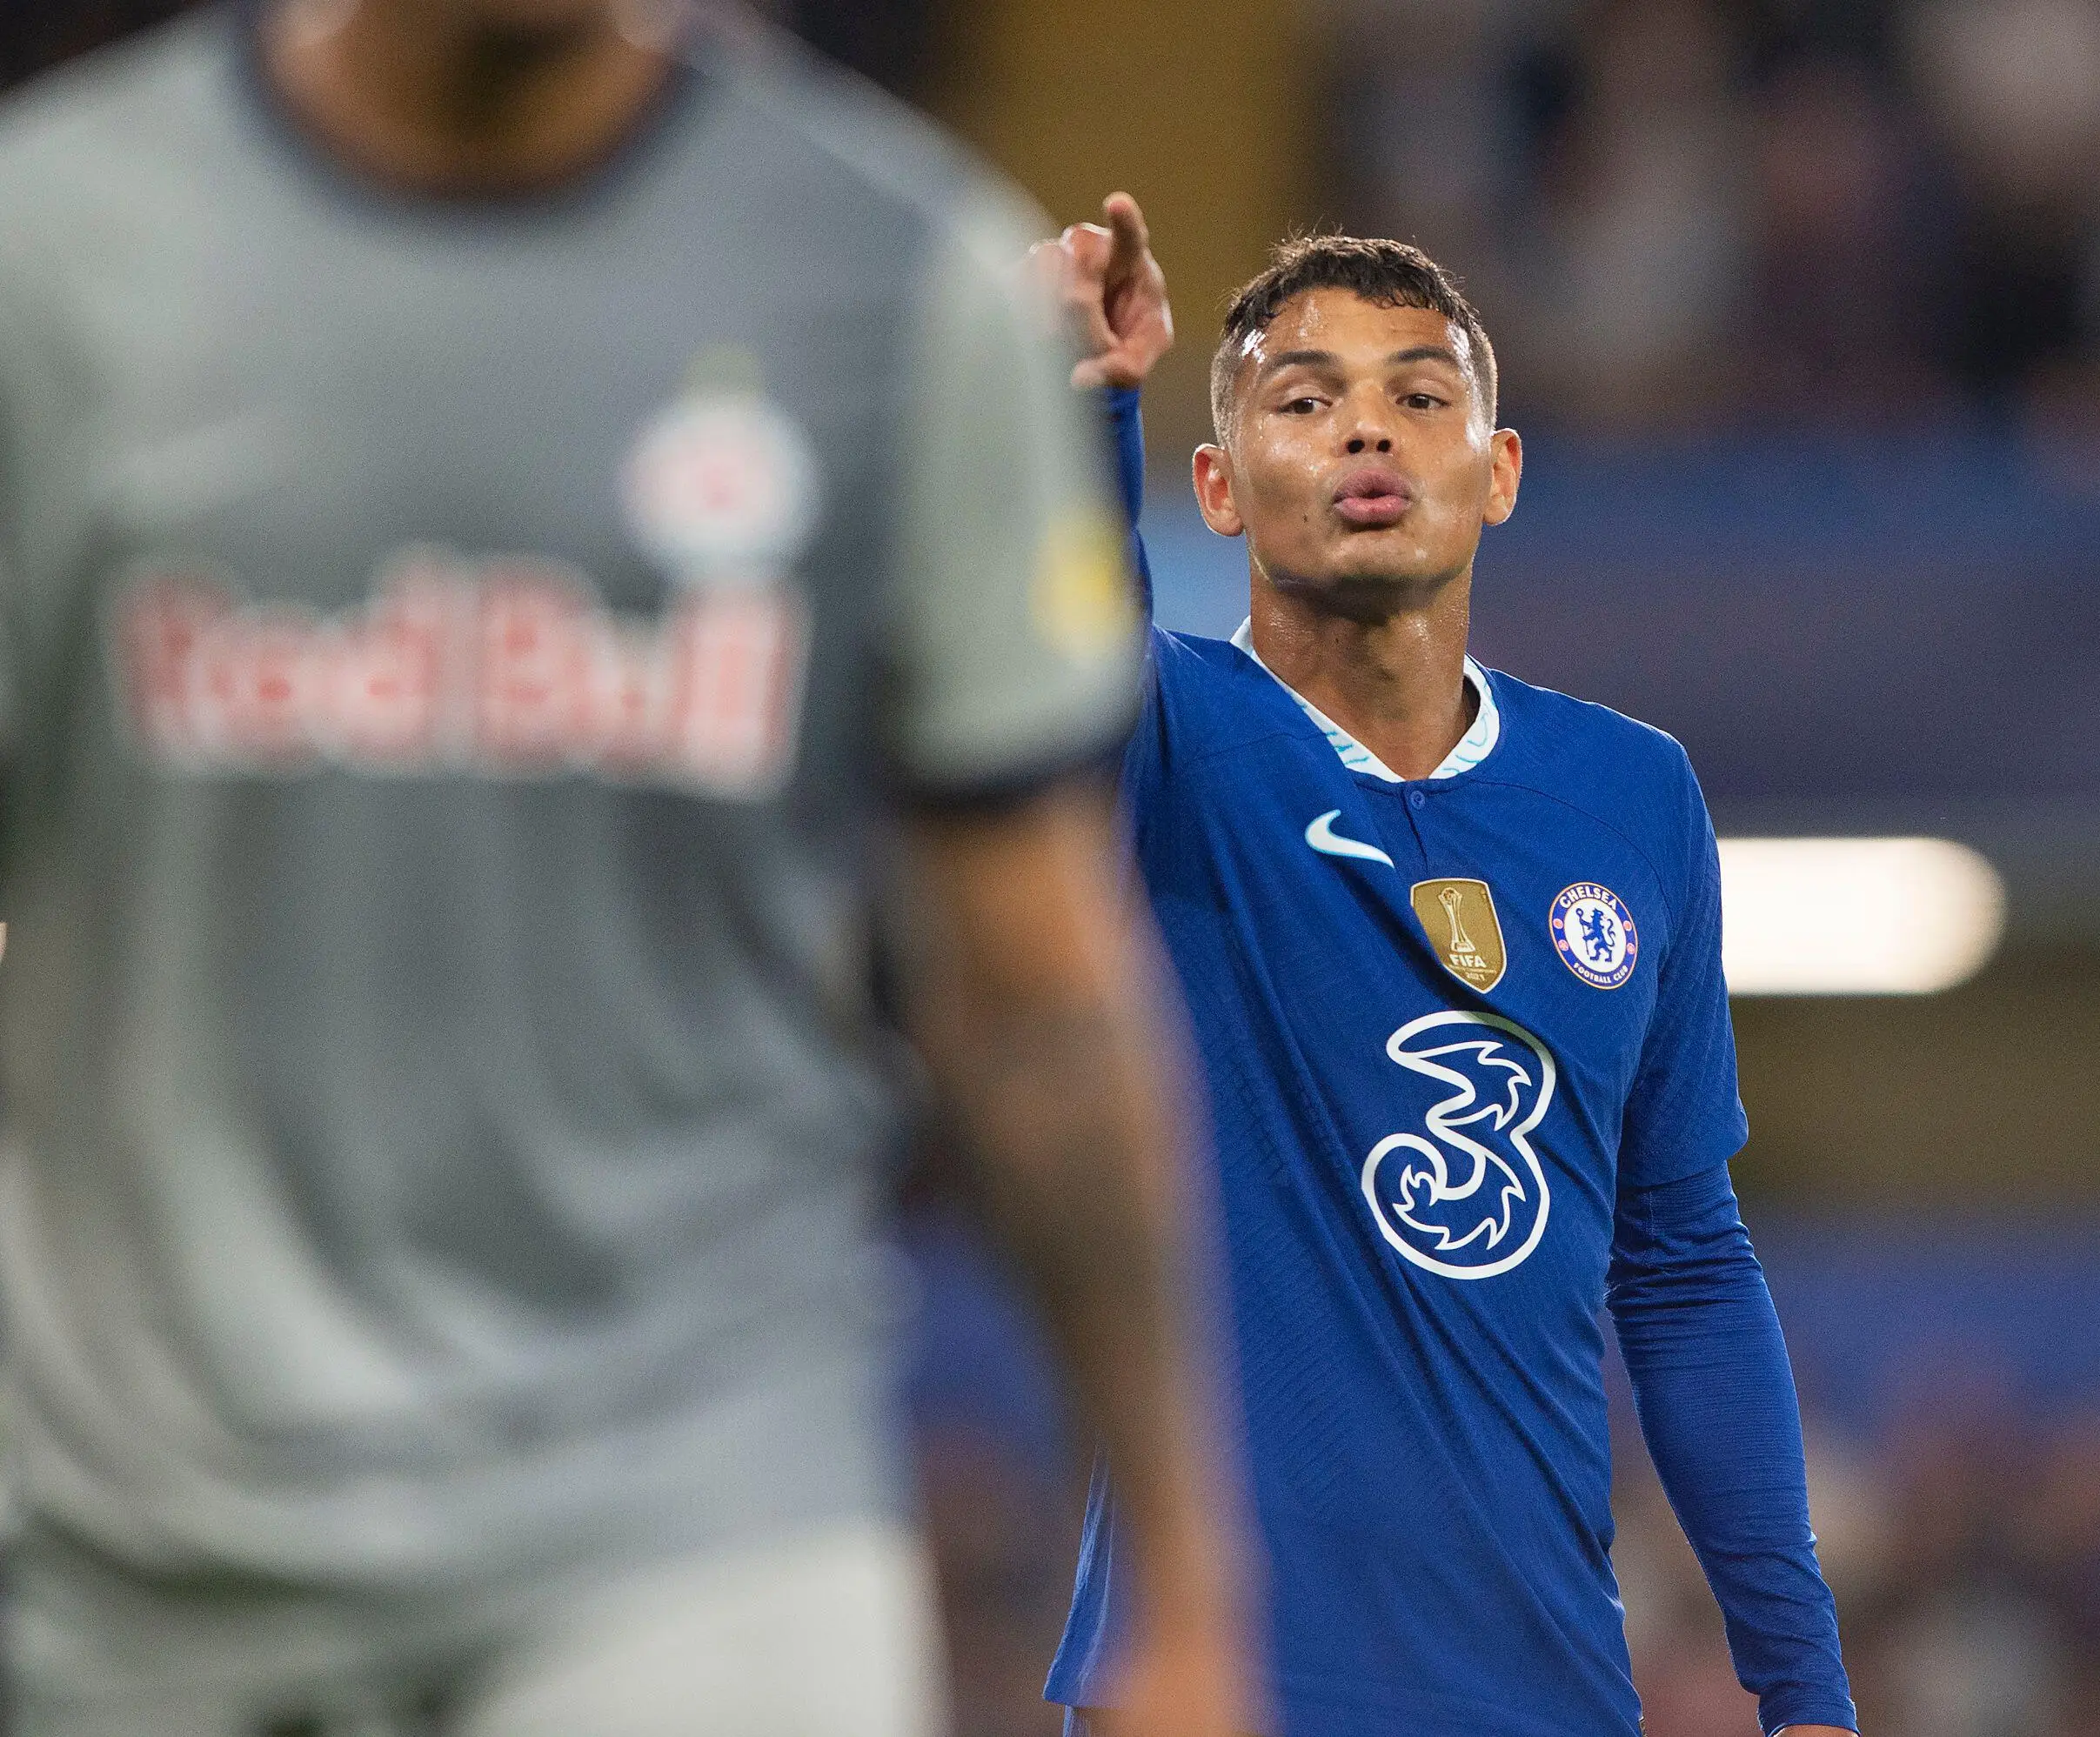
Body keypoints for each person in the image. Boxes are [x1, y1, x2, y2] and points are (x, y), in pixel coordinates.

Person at [0, 5, 1250, 1734]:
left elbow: (1037, 996)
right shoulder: (54, 258)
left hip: (698, 1520)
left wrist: (1185, 1586)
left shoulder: (899, 280)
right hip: (141, 1546)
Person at [1033, 197, 1863, 1737]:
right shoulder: (1168, 741)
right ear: (1216, 488)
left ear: (1500, 470)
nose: (1368, 432)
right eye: (1304, 401)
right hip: (1216, 1683)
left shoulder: (1632, 795)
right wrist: (1088, 409)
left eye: (1420, 396)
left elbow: (1682, 1263)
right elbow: (1065, 660)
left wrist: (1804, 1685)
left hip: (1544, 1690)